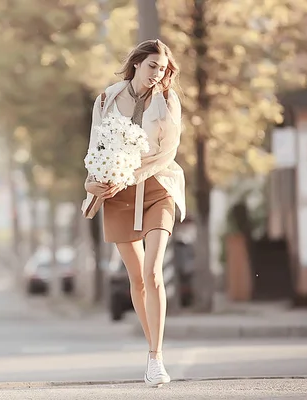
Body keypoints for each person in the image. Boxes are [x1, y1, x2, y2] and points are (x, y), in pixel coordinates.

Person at [84, 39, 186, 386]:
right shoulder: (106, 100)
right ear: (137, 65)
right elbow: (94, 150)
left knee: (153, 270)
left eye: (163, 68)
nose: (157, 74)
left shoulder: (169, 102)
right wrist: (93, 183)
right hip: (118, 195)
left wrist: (129, 170)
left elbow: (167, 151)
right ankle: (151, 348)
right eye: (152, 66)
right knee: (138, 279)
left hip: (158, 188)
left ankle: (156, 358)